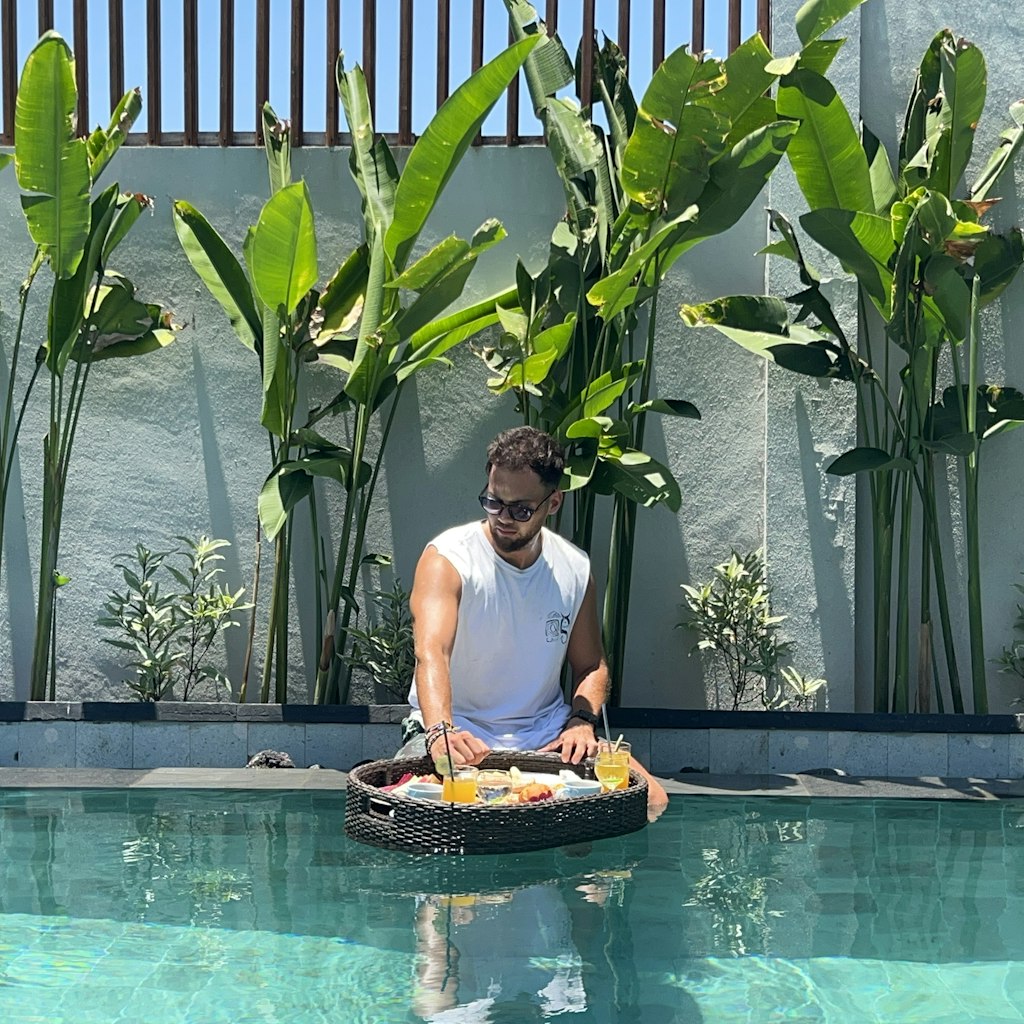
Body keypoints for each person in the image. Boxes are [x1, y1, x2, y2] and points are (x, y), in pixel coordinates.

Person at [396, 425, 669, 817]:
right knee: (437, 815)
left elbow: (591, 665)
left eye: (520, 510)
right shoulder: (448, 559)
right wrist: (441, 731)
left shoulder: (574, 569)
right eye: (493, 502)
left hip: (547, 735)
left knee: (651, 800)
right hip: (461, 732)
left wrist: (580, 721)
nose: (502, 518)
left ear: (553, 503)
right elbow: (431, 653)